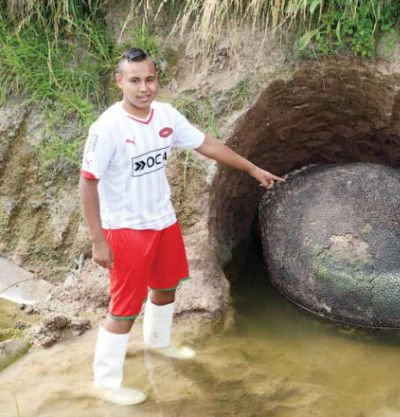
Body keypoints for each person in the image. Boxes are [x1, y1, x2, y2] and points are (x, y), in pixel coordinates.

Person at [78, 47, 284, 406]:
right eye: (135, 81)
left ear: (157, 79)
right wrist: (99, 241)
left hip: (163, 222)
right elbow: (88, 182)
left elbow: (206, 144)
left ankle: (158, 344)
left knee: (167, 289)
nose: (144, 88)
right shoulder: (107, 128)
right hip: (126, 230)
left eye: (150, 79)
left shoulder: (165, 116)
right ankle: (105, 384)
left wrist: (251, 168)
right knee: (124, 308)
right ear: (120, 82)